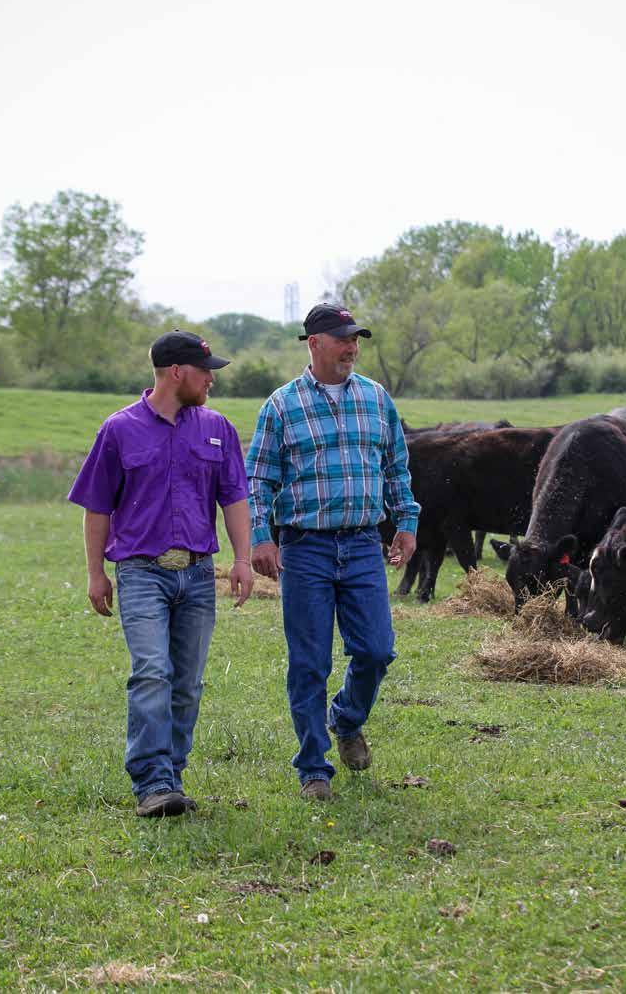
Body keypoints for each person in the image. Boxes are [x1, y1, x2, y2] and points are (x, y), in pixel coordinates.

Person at [68, 330, 253, 817]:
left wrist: (241, 559)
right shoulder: (119, 429)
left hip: (198, 575)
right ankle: (152, 783)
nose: (211, 379)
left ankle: (171, 775)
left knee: (187, 683)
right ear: (176, 372)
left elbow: (234, 497)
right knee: (152, 673)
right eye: (205, 370)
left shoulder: (217, 428)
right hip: (141, 573)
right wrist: (95, 572)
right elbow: (97, 506)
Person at [246, 303, 419, 800]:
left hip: (363, 543)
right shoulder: (282, 406)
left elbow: (396, 467)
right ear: (314, 343)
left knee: (377, 650)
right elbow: (258, 478)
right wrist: (261, 535)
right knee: (309, 661)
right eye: (343, 339)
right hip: (305, 547)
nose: (352, 347)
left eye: (356, 339)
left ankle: (345, 718)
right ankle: (313, 768)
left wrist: (406, 522)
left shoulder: (376, 398)